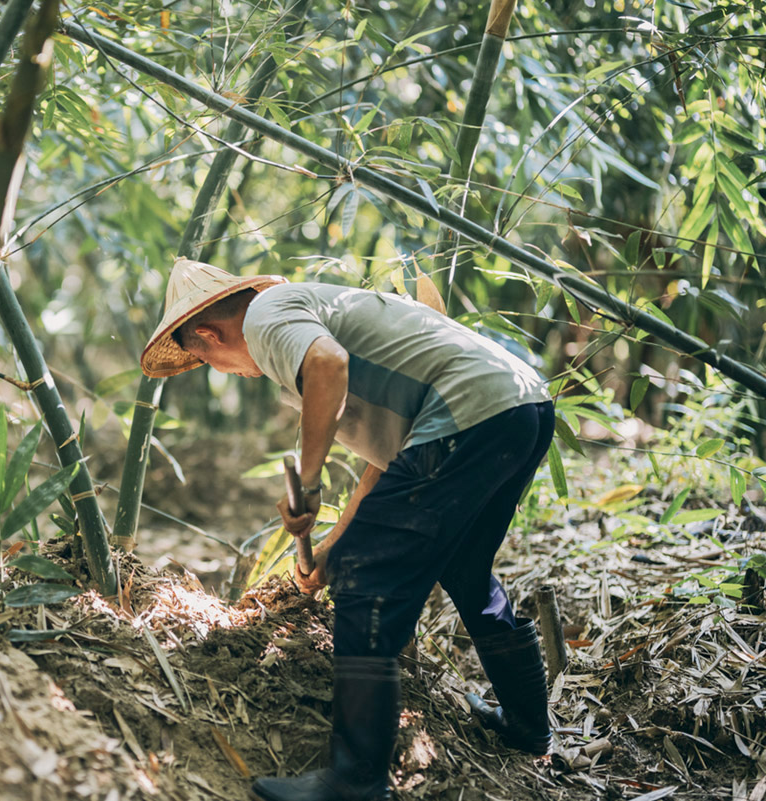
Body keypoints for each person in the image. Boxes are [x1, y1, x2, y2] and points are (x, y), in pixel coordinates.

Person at [140, 258, 556, 801]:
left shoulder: (265, 315)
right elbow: (386, 465)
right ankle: (528, 724)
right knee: (465, 568)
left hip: (473, 412)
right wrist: (332, 549)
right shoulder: (306, 311)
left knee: (368, 582)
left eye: (206, 361)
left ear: (209, 335)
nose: (220, 371)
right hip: (522, 406)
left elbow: (328, 364)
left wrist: (309, 483)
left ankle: (356, 780)